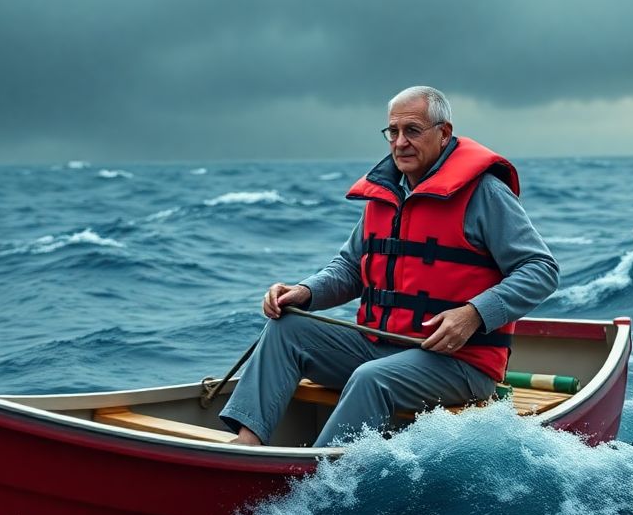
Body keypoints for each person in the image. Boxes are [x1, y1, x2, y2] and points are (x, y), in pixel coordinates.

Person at [218, 85, 559, 448]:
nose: (400, 142)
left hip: (460, 363)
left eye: (412, 131)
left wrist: (474, 314)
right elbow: (350, 269)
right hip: (379, 346)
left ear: (444, 134)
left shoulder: (484, 193)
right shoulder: (385, 194)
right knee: (287, 327)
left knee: (371, 378)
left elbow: (541, 269)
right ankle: (247, 445)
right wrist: (305, 291)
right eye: (392, 132)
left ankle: (318, 481)